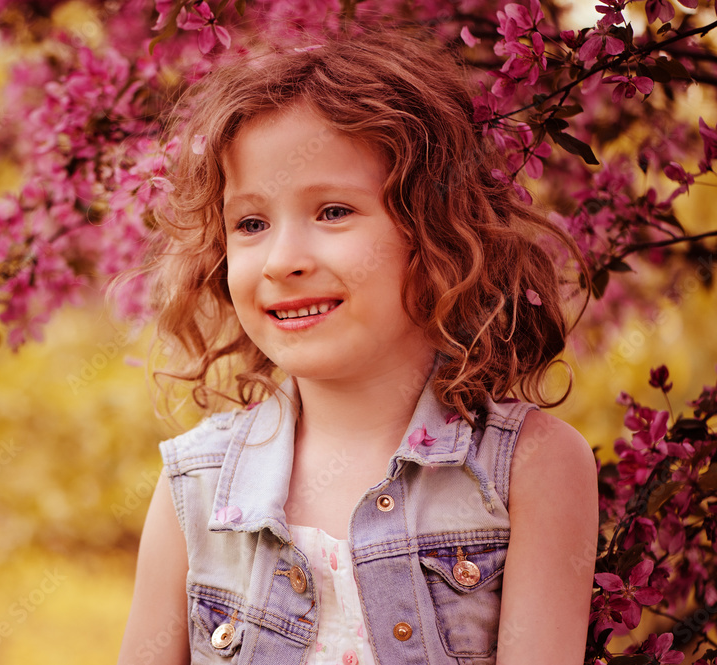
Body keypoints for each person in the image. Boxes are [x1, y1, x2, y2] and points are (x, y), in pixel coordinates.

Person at [117, 26, 598, 665]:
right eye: (251, 223)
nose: (282, 260)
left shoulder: (532, 467)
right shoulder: (196, 488)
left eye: (333, 212)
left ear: (434, 233)